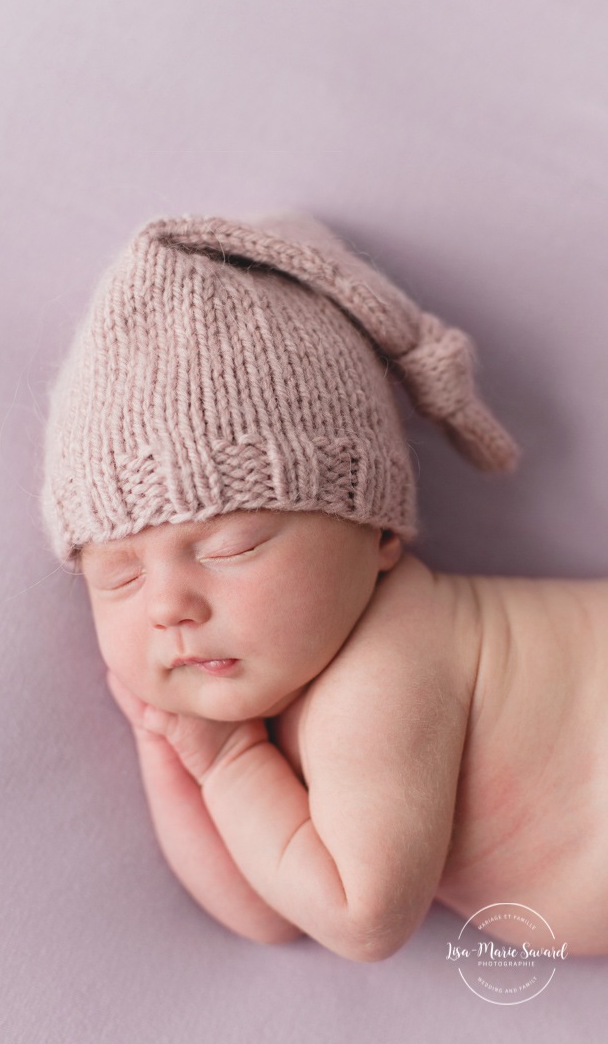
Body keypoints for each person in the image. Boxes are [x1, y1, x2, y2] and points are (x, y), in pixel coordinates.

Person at [40, 212, 608, 960]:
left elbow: (356, 915)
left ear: (377, 534)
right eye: (119, 576)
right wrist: (181, 760)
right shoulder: (293, 686)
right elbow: (274, 909)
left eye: (229, 547)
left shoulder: (390, 658)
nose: (168, 606)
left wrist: (228, 764)